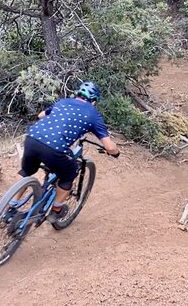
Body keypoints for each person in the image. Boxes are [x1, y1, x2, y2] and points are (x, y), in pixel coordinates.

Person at [12, 81, 120, 222]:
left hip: (32, 138)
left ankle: (11, 206)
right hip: (54, 149)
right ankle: (56, 210)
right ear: (94, 100)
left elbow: (40, 115)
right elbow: (110, 147)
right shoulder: (93, 114)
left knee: (27, 171)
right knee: (70, 172)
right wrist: (116, 153)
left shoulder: (63, 101)